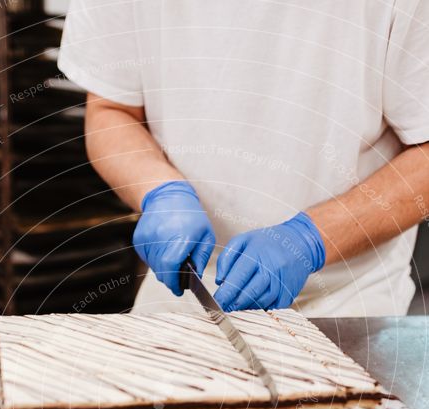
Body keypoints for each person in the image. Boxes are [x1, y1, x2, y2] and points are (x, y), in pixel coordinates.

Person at [58, 1, 429, 316]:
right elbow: (111, 109)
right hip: (183, 297)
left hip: (348, 305)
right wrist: (159, 190)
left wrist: (311, 239)